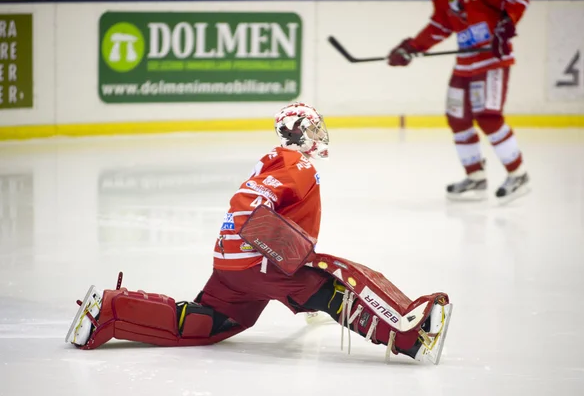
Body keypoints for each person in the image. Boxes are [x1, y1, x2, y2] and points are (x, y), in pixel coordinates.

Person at [65, 102, 453, 364]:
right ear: (300, 133)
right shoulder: (299, 164)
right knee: (331, 286)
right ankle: (411, 339)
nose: (320, 133)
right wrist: (283, 253)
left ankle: (111, 309)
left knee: (209, 322)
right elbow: (245, 203)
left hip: (232, 266)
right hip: (261, 263)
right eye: (314, 127)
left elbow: (247, 206)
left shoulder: (273, 159)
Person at [388, 0, 530, 201]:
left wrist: (507, 23)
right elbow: (441, 25)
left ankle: (518, 174)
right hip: (465, 64)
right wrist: (413, 47)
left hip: (491, 59)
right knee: (457, 117)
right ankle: (475, 176)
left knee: (488, 117)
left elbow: (517, 0)